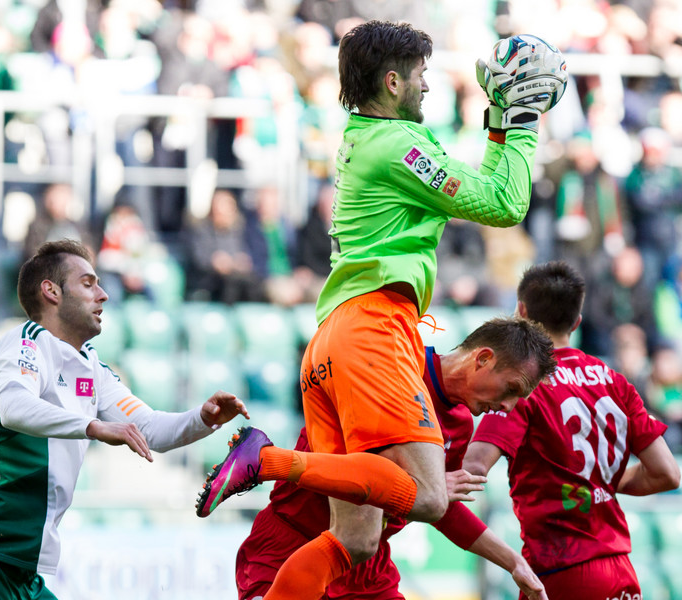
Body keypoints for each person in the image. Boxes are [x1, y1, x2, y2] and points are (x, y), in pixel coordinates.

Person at [194, 23, 566, 600]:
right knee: (428, 494)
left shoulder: (366, 138)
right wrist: (518, 121)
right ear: (392, 82)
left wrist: (496, 121)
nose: (427, 89)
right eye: (419, 77)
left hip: (336, 335)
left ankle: (268, 463)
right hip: (373, 327)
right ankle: (266, 459)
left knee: (358, 538)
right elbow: (504, 201)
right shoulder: (399, 147)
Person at [0, 239, 249, 599]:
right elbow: (14, 407)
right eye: (88, 283)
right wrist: (93, 426)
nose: (104, 295)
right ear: (51, 291)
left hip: (21, 576)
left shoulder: (91, 366)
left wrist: (203, 418)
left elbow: (148, 429)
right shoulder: (25, 344)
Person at [236, 318, 556, 599]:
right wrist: (426, 484)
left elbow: (439, 507)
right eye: (511, 389)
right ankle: (265, 460)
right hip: (294, 546)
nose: (509, 407)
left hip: (366, 571)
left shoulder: (458, 424)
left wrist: (513, 561)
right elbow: (344, 457)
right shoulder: (390, 368)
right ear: (483, 358)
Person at [463, 261, 680, 600]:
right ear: (577, 321)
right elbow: (667, 474)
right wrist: (595, 483)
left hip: (561, 572)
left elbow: (474, 468)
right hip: (621, 568)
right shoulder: (615, 381)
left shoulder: (524, 385)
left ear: (520, 311)